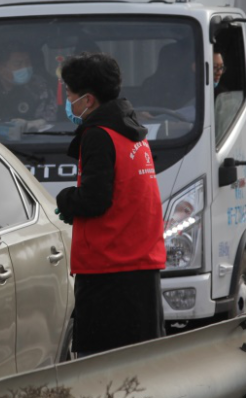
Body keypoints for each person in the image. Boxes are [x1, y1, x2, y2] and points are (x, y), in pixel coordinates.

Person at [55, 52, 166, 355]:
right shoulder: (131, 131)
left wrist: (65, 200)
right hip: (141, 268)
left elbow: (95, 199)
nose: (68, 101)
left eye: (70, 94)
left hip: (108, 272)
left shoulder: (99, 135)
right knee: (141, 365)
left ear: (88, 100)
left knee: (103, 371)